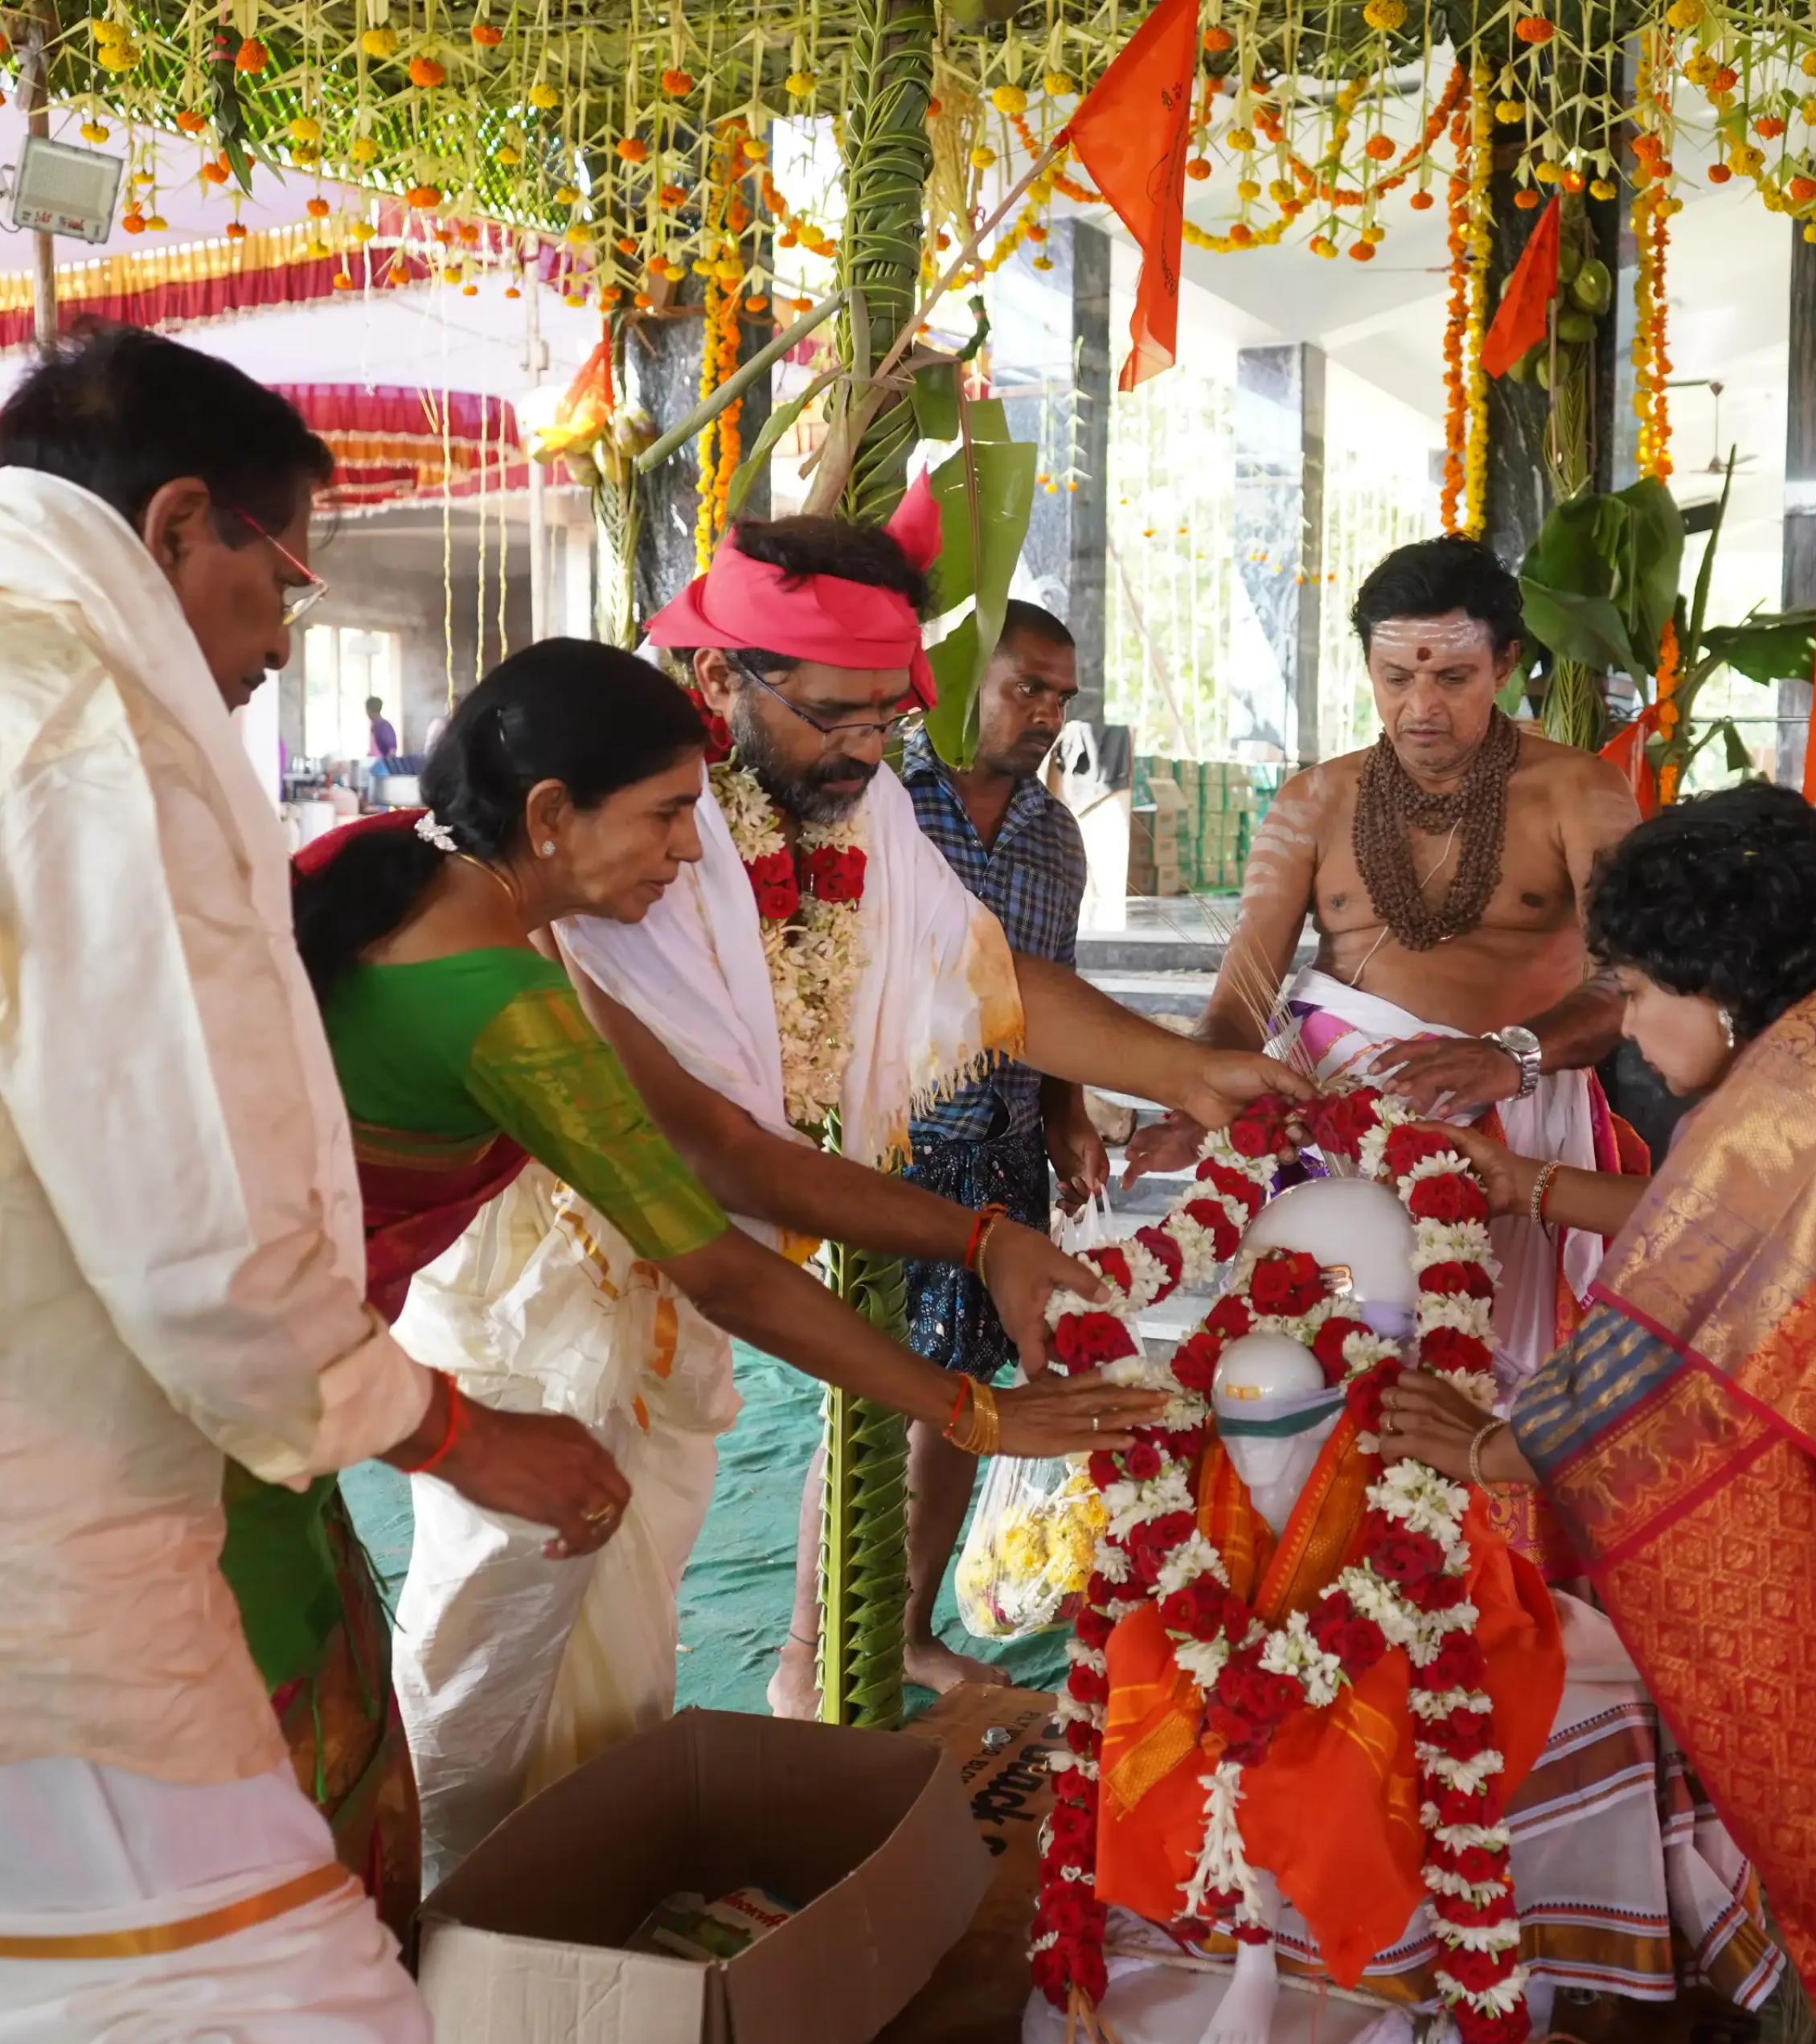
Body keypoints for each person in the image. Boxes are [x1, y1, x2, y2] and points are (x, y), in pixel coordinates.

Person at [391, 506, 1306, 1845]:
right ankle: (451, 1920)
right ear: (720, 684)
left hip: (677, 1304)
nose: (871, 751)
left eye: (892, 717)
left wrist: (1186, 1074)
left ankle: (559, 1942)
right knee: (493, 1658)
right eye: (837, 717)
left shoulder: (850, 809)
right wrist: (977, 1285)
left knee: (622, 1652)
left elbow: (979, 975)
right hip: (539, 1312)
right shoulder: (599, 855)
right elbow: (715, 1165)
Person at [296, 637, 1162, 1889]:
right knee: (442, 1697)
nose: (692, 855)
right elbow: (721, 1259)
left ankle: (521, 1931)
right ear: (549, 816)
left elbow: (736, 1162)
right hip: (265, 1380)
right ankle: (450, 1938)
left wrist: (988, 1238)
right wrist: (973, 1409)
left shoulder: (455, 905)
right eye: (665, 817)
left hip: (310, 1362)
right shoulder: (499, 988)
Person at [0, 326, 625, 2044]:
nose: (282, 634)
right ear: (180, 521)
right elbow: (190, 1219)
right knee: (296, 2002)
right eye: (283, 578)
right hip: (61, 1537)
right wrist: (449, 1432)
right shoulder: (76, 701)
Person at [1380, 783, 1816, 2044]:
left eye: (1634, 992)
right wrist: (1527, 1186)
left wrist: (1481, 1445)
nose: (1630, 1031)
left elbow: (1650, 1370)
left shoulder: (1802, 1083)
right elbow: (1758, 1243)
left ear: (1719, 980)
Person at [1128, 536, 1645, 1398]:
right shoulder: (1314, 802)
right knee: (1318, 1371)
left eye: (1452, 677)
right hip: (1326, 1130)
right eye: (1395, 677)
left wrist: (1508, 1056)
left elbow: (1632, 981)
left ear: (1507, 664)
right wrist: (1195, 1093)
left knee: (1487, 1393)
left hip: (1511, 1122)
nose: (1420, 708)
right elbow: (1243, 996)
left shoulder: (1579, 793)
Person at [896, 599, 1108, 1693]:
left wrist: (1068, 1114)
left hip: (1008, 1151)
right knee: (870, 1394)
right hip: (892, 1156)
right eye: (1026, 687)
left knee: (962, 1399)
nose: (1045, 715)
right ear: (958, 676)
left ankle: (912, 1630)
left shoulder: (1054, 836)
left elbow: (1052, 994)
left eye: (1062, 698)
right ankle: (806, 1646)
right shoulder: (883, 803)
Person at [367, 694, 399, 763]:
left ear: (370, 711)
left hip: (384, 768)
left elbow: (392, 751)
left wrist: (386, 764)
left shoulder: (384, 726)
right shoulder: (374, 726)